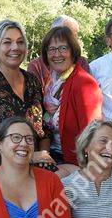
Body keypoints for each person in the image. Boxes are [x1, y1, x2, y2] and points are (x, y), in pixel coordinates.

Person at [0, 20, 54, 170]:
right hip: (2, 168)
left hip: (37, 164)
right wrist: (27, 157)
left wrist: (43, 156)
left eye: (20, 42)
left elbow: (43, 129)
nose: (15, 47)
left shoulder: (32, 81)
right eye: (7, 42)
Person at [39, 25, 103, 165]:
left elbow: (91, 133)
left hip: (73, 160)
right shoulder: (51, 81)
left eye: (63, 48)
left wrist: (85, 169)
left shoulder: (84, 83)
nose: (57, 54)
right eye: (51, 49)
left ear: (73, 52)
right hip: (50, 154)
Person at [28, 15, 91, 93]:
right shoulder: (36, 66)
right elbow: (33, 96)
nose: (57, 54)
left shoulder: (81, 63)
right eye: (66, 35)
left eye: (74, 36)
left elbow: (85, 92)